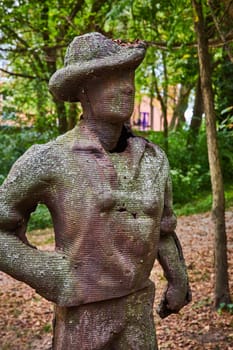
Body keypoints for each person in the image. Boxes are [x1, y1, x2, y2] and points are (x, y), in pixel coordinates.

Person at [0, 32, 191, 349]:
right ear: (83, 87)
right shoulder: (51, 159)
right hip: (83, 323)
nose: (127, 86)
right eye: (113, 76)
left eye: (129, 75)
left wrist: (178, 278)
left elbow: (163, 229)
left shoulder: (154, 159)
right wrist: (51, 274)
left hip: (138, 315)